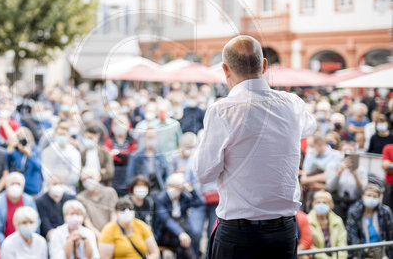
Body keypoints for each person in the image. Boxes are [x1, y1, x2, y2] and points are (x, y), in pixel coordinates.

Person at [193, 35, 317, 259]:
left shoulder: (222, 111)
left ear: (225, 69)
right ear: (264, 66)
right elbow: (309, 127)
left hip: (239, 236)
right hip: (283, 234)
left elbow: (204, 174)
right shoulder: (292, 104)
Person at [153, 173, 202, 259]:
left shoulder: (183, 197)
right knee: (183, 243)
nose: (173, 189)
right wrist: (180, 233)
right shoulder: (161, 198)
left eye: (177, 187)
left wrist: (191, 190)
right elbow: (166, 219)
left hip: (183, 230)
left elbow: (200, 202)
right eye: (171, 186)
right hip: (165, 232)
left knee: (193, 236)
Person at [0, 172, 39, 245]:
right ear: (6, 186)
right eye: (12, 184)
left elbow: (36, 223)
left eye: (18, 184)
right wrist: (6, 244)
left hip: (27, 243)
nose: (15, 186)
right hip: (4, 244)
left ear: (23, 186)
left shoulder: (29, 200)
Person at [346, 183, 393, 259]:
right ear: (362, 196)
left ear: (379, 198)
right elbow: (352, 237)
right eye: (369, 195)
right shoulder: (354, 212)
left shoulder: (385, 212)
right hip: (361, 253)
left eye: (375, 196)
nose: (371, 198)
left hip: (382, 252)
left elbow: (390, 235)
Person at [325, 141, 368, 222]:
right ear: (341, 152)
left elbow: (362, 192)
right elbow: (330, 187)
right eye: (345, 150)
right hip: (337, 202)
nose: (347, 152)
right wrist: (339, 171)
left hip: (354, 203)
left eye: (350, 150)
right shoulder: (333, 166)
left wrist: (355, 175)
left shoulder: (361, 169)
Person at [76, 167, 118, 238]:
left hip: (112, 233)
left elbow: (114, 215)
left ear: (99, 177)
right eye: (84, 179)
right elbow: (87, 221)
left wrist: (109, 234)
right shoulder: (80, 197)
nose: (87, 181)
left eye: (90, 177)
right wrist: (100, 236)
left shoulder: (110, 192)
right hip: (93, 236)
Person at [41, 121, 81, 194]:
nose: (62, 137)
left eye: (64, 134)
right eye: (59, 134)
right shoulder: (47, 151)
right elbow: (46, 173)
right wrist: (58, 180)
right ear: (55, 135)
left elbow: (75, 175)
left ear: (68, 135)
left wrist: (62, 180)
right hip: (49, 190)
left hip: (68, 190)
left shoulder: (74, 152)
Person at [126, 128, 168, 194]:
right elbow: (130, 178)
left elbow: (166, 175)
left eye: (153, 137)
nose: (151, 139)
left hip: (159, 189)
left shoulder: (161, 156)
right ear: (144, 138)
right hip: (142, 189)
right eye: (149, 137)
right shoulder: (136, 156)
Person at [307, 190, 347, 259]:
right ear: (313, 204)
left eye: (324, 203)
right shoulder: (307, 220)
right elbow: (310, 246)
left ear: (331, 205)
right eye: (318, 202)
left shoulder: (337, 220)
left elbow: (342, 244)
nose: (321, 205)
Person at [103, 115, 137, 195]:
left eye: (122, 123)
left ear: (128, 125)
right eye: (116, 123)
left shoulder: (133, 141)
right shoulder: (107, 140)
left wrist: (118, 153)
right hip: (112, 175)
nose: (119, 125)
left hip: (128, 175)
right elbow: (106, 155)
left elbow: (133, 156)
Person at [36, 173, 76, 239]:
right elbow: (45, 226)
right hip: (51, 237)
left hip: (70, 235)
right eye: (54, 184)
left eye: (60, 184)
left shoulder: (71, 199)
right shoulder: (40, 201)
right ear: (48, 185)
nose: (57, 186)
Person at [6, 127, 42, 195]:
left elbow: (39, 167)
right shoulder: (15, 151)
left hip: (32, 187)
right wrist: (11, 146)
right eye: (19, 138)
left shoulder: (35, 150)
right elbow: (5, 163)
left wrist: (29, 154)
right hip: (17, 187)